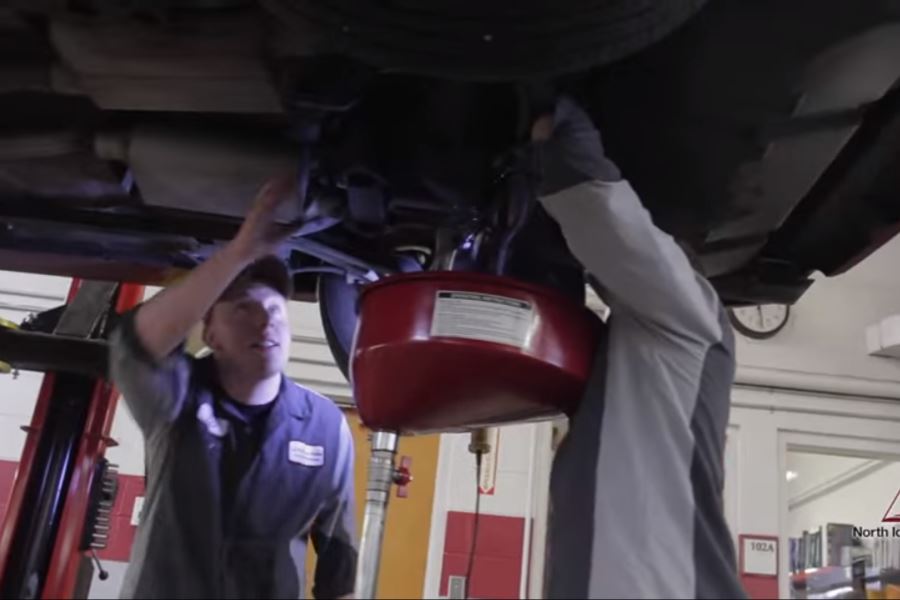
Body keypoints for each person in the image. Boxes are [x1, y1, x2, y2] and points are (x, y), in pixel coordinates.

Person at [532, 98, 747, 599]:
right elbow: (624, 244)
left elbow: (625, 239)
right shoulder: (662, 331)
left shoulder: (690, 312)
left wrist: (564, 151)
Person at [108, 177, 357, 599]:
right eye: (244, 308)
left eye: (276, 309)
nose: (266, 321)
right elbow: (134, 345)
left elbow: (341, 567)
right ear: (212, 336)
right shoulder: (178, 396)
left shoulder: (325, 427)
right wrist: (240, 252)